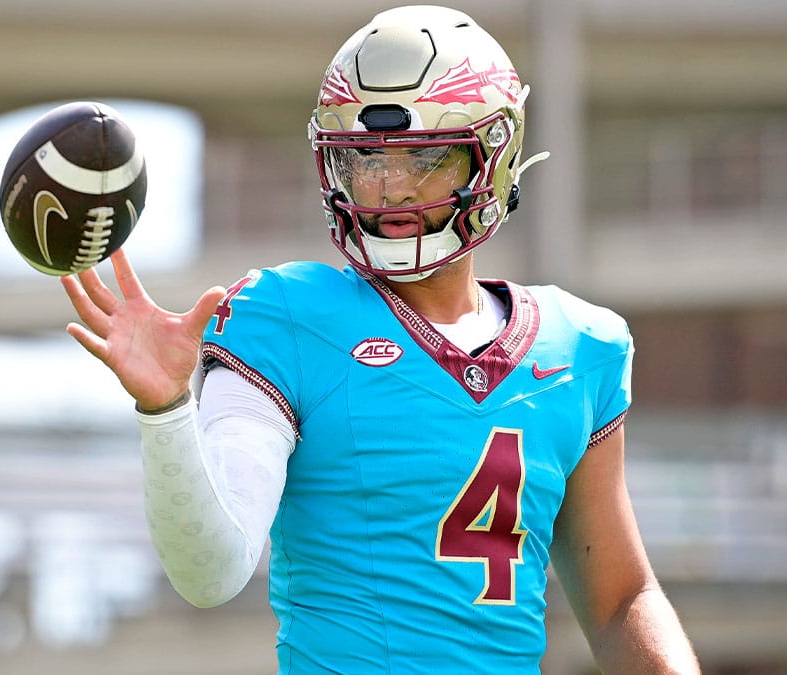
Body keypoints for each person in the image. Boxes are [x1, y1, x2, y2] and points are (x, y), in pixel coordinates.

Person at [61, 5, 699, 673]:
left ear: (495, 156)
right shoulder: (284, 314)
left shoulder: (579, 346)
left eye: (423, 157)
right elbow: (210, 570)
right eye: (364, 160)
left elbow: (620, 599)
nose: (390, 186)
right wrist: (166, 413)